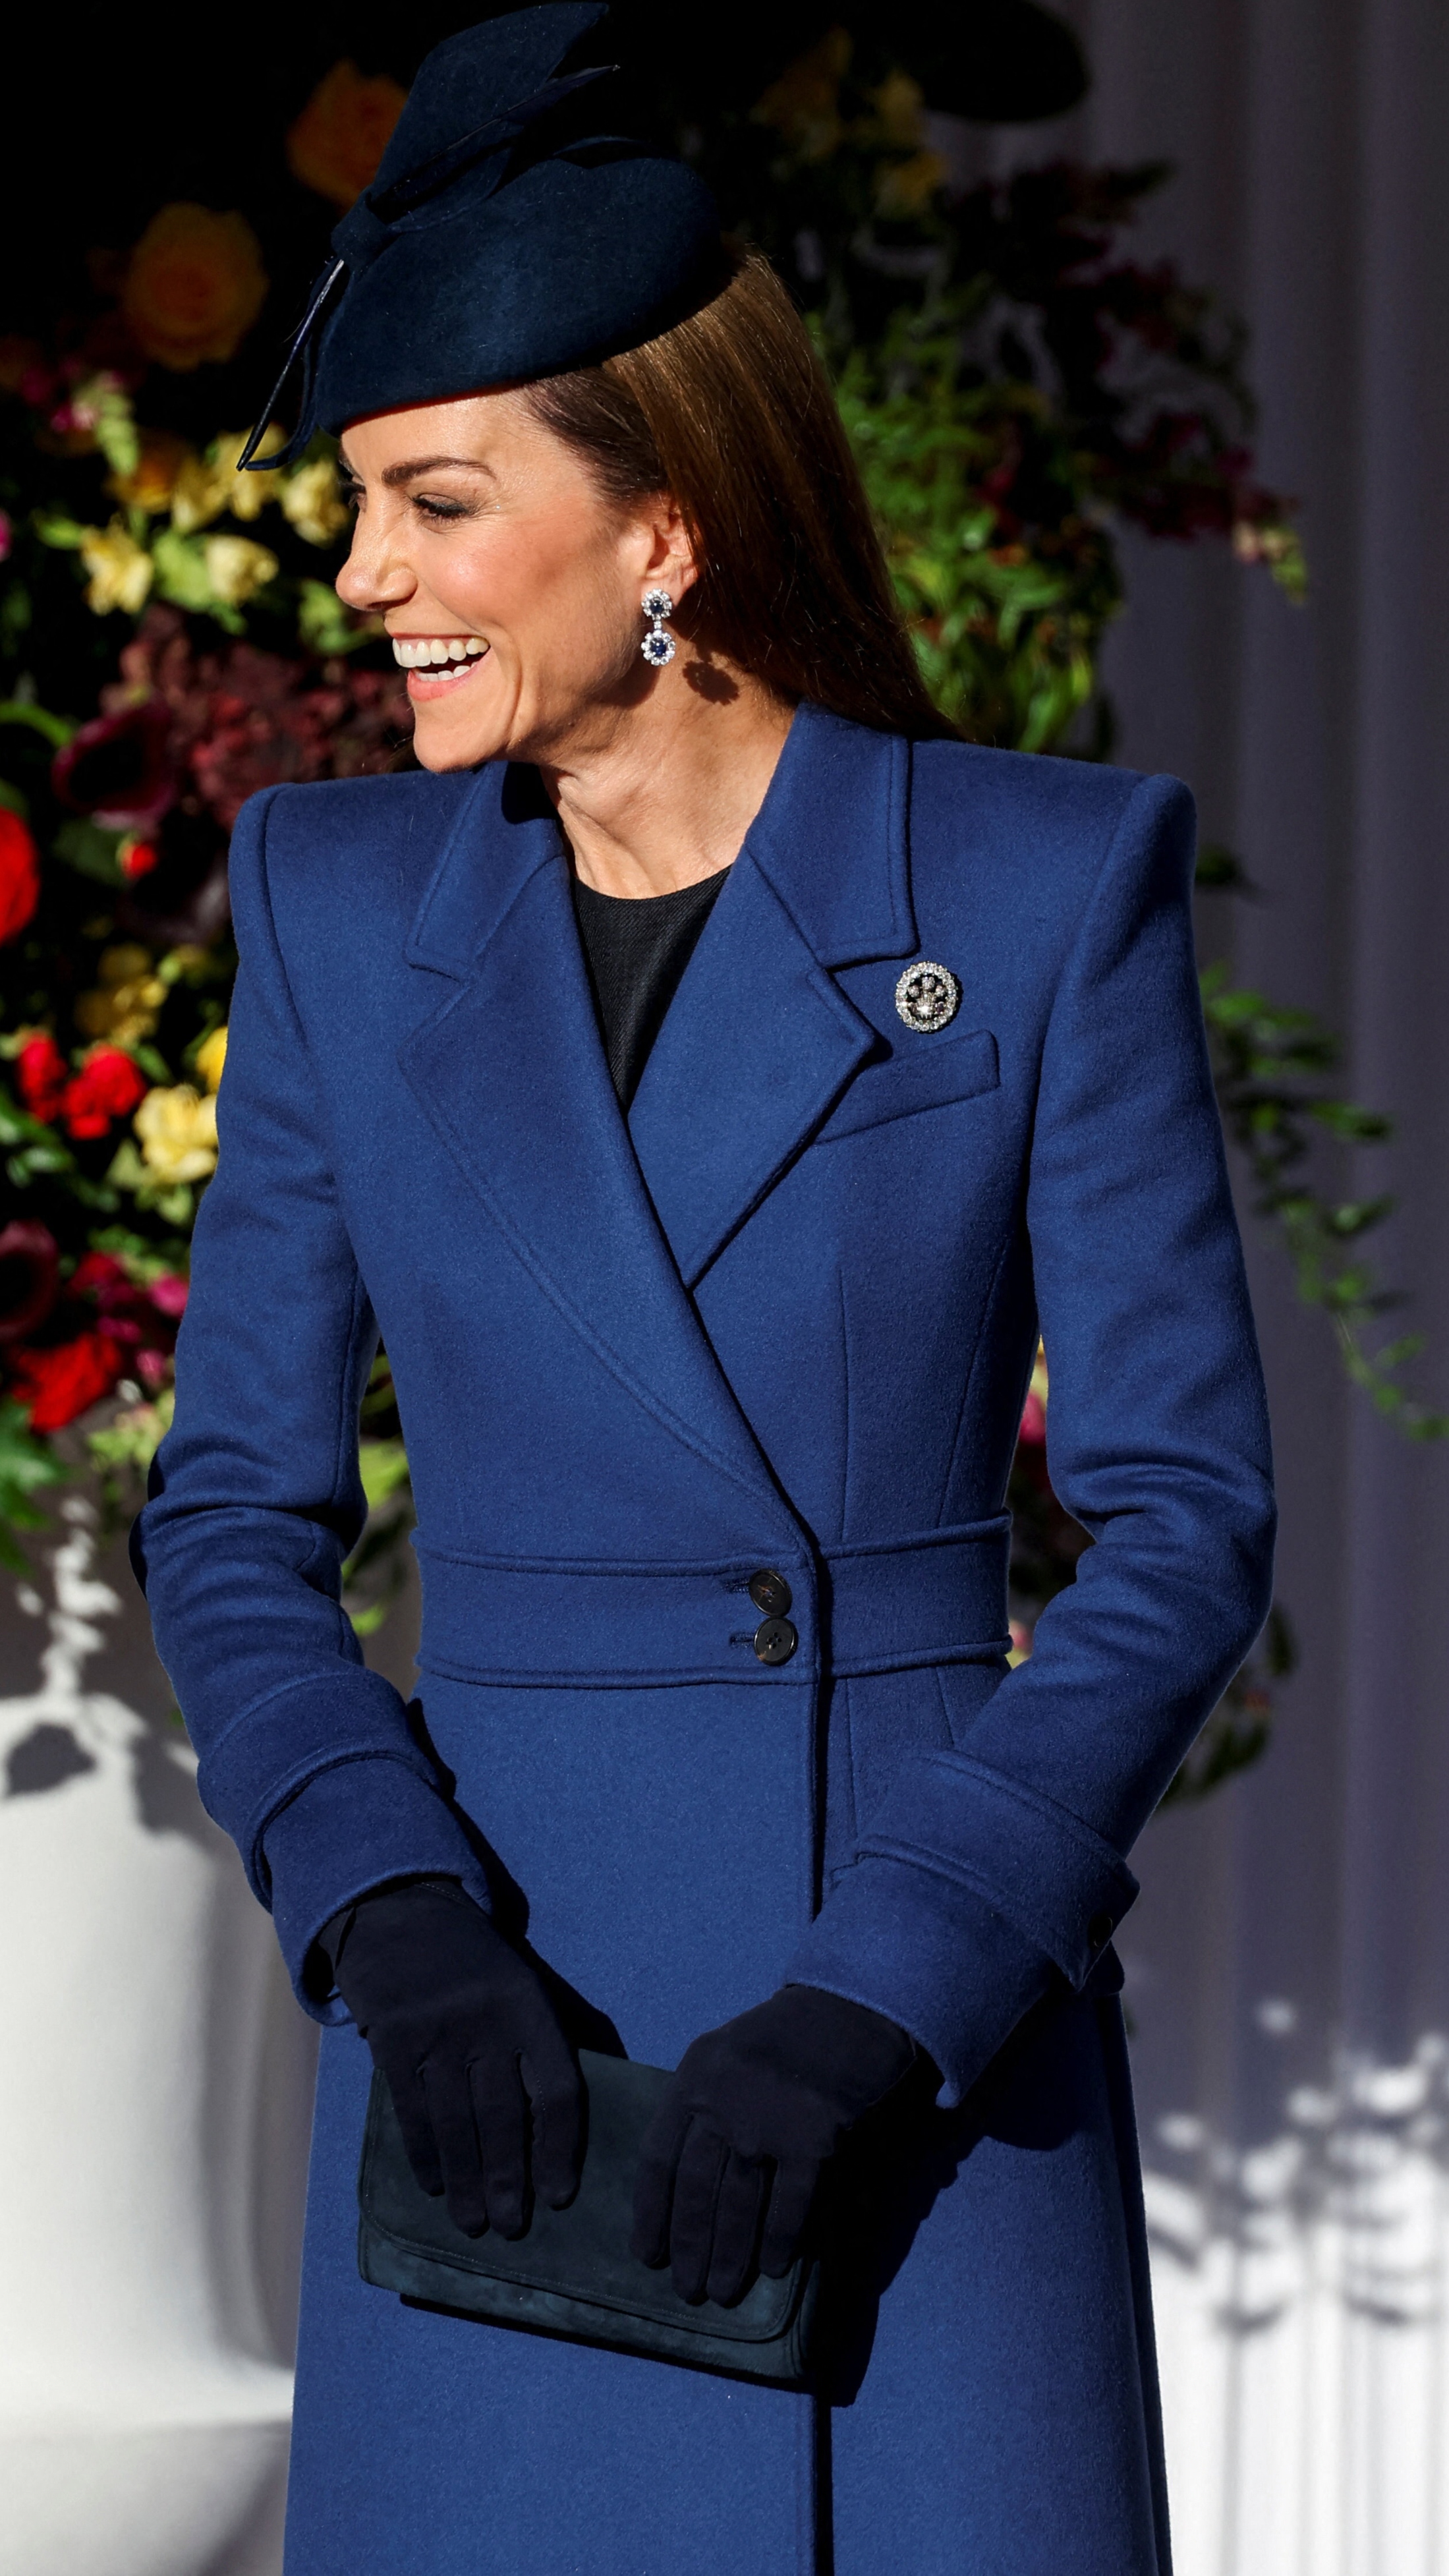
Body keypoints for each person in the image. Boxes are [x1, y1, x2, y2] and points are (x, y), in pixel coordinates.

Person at [132, 8, 1276, 2571]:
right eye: (356, 510)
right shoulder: (333, 914)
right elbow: (228, 1518)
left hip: (907, 2092)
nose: (362, 583)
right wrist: (386, 1915)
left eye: (433, 504)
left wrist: (898, 1983)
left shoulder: (1029, 892)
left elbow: (1183, 1516)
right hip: (494, 2098)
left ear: (661, 527)